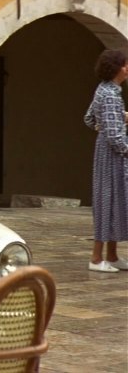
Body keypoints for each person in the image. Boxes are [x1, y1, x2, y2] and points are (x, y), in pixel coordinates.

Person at [84, 49, 128, 273]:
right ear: (116, 68)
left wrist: (119, 119)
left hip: (106, 153)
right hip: (112, 155)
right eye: (125, 65)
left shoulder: (106, 90)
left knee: (114, 201)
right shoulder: (110, 94)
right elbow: (113, 135)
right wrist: (125, 149)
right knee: (107, 201)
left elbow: (90, 118)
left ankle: (111, 255)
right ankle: (95, 258)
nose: (127, 68)